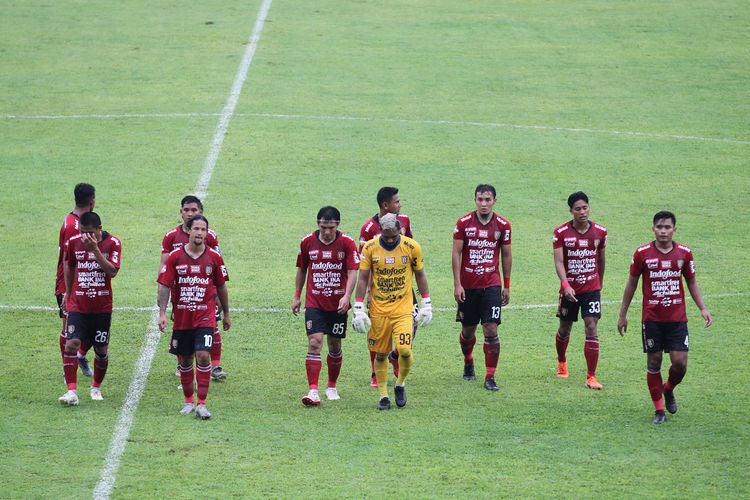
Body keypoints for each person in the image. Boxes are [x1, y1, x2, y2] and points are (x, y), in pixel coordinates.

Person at [617, 211, 712, 424]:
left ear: (674, 230)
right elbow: (631, 283)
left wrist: (703, 308)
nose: (663, 231)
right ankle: (659, 411)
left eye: (667, 227)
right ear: (653, 229)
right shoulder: (642, 254)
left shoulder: (685, 254)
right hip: (652, 319)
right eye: (659, 227)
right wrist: (622, 314)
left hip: (677, 319)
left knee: (680, 364)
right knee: (654, 360)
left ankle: (668, 389)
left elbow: (692, 282)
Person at [353, 213, 432, 410]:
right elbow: (363, 278)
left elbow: (420, 274)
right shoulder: (370, 248)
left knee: (405, 350)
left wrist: (427, 303)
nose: (389, 240)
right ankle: (383, 396)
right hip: (379, 310)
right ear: (380, 231)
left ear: (399, 230)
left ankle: (400, 384)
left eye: (393, 236)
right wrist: (358, 307)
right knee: (380, 355)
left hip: (403, 309)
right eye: (386, 236)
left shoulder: (412, 247)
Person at [157, 215, 231, 419]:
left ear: (207, 233)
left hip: (205, 317)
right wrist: (162, 313)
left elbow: (222, 286)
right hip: (182, 319)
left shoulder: (214, 258)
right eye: (196, 229)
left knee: (203, 355)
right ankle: (188, 401)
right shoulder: (175, 257)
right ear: (188, 231)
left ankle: (202, 403)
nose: (199, 233)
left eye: (203, 230)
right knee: (186, 359)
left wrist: (226, 313)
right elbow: (164, 286)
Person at [292, 206, 359, 406]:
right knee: (314, 342)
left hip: (338, 304)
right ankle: (313, 391)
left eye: (331, 227)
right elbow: (302, 269)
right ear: (318, 224)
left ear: (338, 225)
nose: (327, 231)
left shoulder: (347, 243)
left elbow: (353, 271)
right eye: (323, 227)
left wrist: (347, 296)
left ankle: (331, 386)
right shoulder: (307, 242)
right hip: (315, 303)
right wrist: (297, 296)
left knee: (335, 345)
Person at [452, 184, 512, 391]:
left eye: (488, 199)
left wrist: (507, 285)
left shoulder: (503, 225)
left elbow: (506, 254)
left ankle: (490, 377)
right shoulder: (463, 223)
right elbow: (456, 254)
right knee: (468, 331)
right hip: (468, 286)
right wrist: (457, 284)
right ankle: (468, 360)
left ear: (494, 200)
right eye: (480, 199)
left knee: (491, 328)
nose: (484, 203)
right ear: (475, 200)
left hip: (492, 285)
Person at [58, 212, 121, 406]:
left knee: (101, 349)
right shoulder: (73, 242)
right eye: (82, 232)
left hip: (102, 307)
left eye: (90, 233)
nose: (85, 237)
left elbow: (112, 271)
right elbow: (68, 266)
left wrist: (95, 250)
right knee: (71, 344)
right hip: (78, 303)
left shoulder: (113, 243)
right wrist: (68, 294)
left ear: (99, 229)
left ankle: (96, 387)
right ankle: (71, 391)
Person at [161, 195, 227, 381]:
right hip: (180, 291)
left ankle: (215, 366)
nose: (190, 213)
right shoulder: (171, 237)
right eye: (187, 210)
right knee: (183, 328)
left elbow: (217, 263)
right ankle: (183, 365)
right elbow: (164, 266)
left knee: (211, 326)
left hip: (205, 290)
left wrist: (217, 295)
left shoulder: (210, 236)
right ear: (181, 212)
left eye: (194, 210)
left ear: (201, 212)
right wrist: (163, 291)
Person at [359, 186, 416, 387]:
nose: (400, 204)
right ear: (386, 205)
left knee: (412, 325)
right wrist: (367, 293)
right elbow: (364, 266)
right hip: (379, 291)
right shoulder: (368, 229)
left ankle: (396, 356)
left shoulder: (405, 221)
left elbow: (410, 252)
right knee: (378, 333)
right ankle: (376, 374)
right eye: (397, 201)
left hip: (403, 287)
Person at [552, 191, 607, 389]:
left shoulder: (600, 232)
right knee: (565, 328)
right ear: (571, 211)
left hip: (591, 288)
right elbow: (558, 261)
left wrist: (598, 283)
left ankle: (591, 376)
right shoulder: (560, 233)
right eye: (578, 209)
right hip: (570, 290)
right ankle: (561, 361)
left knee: (591, 326)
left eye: (585, 208)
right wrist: (565, 285)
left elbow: (601, 259)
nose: (582, 212)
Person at [56, 183, 96, 378]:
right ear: (92, 201)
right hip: (70, 285)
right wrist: (67, 291)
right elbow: (69, 260)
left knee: (88, 327)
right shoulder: (75, 227)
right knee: (69, 329)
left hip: (82, 283)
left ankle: (78, 355)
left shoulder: (71, 220)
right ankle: (68, 369)